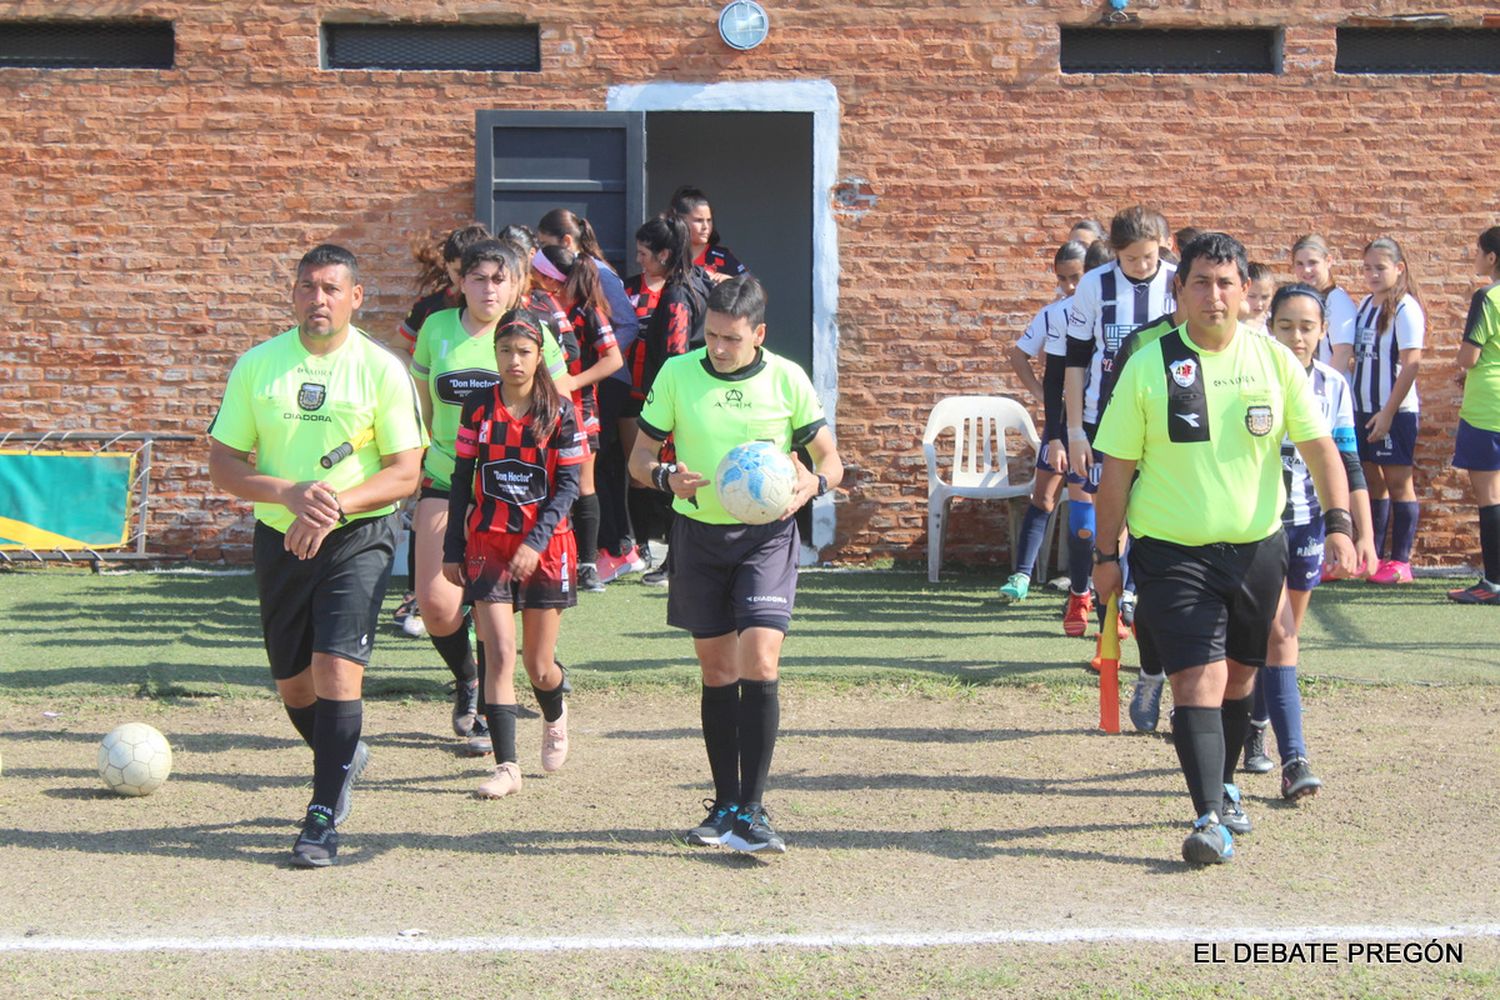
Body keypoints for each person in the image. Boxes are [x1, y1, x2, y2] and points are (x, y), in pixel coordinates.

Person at [1092, 233, 1357, 865]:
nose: (1214, 294)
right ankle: (1208, 814)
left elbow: (1321, 448)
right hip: (1171, 551)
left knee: (1241, 677)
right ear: (1179, 290)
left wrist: (1341, 521)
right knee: (1196, 681)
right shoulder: (1147, 363)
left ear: (1245, 292)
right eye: (1201, 282)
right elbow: (1116, 472)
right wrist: (1106, 557)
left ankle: (1228, 782)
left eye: (1226, 283)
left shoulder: (1272, 359)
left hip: (1257, 549)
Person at [208, 244, 427, 867]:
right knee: (294, 685)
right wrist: (290, 495)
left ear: (356, 297)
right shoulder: (258, 366)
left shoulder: (383, 371)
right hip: (280, 535)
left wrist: (333, 505)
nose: (319, 298)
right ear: (294, 293)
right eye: (308, 287)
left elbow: (404, 471)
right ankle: (344, 754)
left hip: (358, 536)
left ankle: (321, 817)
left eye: (333, 288)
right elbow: (224, 462)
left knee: (337, 670)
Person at [629, 275, 842, 855]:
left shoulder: (787, 379)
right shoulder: (677, 374)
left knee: (761, 659)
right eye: (712, 335)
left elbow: (830, 459)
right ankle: (724, 805)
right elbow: (639, 457)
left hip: (767, 539)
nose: (718, 348)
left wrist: (812, 483)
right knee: (718, 669)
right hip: (697, 536)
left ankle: (755, 808)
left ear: (759, 334)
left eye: (731, 338)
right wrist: (664, 475)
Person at [411, 240, 569, 750]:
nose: (488, 288)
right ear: (460, 281)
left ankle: (488, 712)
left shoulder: (533, 333)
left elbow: (558, 411)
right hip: (448, 478)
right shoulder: (435, 329)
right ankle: (467, 679)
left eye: (499, 279)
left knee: (498, 613)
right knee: (437, 606)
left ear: (518, 284)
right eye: (478, 278)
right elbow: (423, 407)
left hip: (517, 495)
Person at [1241, 283, 1379, 798]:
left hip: (1309, 526)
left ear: (1323, 332)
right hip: (1259, 526)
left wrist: (1354, 530)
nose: (1296, 337)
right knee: (1280, 638)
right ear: (1268, 327)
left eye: (1307, 327)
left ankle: (1255, 729)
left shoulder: (1334, 386)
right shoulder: (1251, 378)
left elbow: (1346, 463)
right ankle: (1295, 759)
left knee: (1283, 639)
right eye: (1285, 326)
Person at [443, 309, 583, 798]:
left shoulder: (561, 410)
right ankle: (507, 767)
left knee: (538, 665)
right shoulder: (478, 407)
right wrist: (452, 547)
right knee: (499, 654)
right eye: (505, 351)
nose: (514, 360)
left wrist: (535, 541)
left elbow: (569, 486)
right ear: (495, 354)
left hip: (545, 547)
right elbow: (462, 478)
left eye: (524, 352)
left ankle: (555, 711)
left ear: (539, 355)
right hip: (488, 544)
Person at [1063, 206, 1177, 638]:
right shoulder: (1095, 284)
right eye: (1132, 259)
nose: (1143, 266)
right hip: (1101, 418)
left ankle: (1131, 602)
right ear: (1114, 253)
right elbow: (1075, 361)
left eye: (1150, 257)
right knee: (1094, 519)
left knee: (1146, 517)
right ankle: (1084, 592)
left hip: (1162, 421)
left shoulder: (1177, 281)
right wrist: (1074, 430)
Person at [392, 223, 492, 638]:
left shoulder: (518, 321)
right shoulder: (432, 313)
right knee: (434, 562)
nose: (456, 280)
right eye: (454, 271)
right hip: (444, 467)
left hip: (499, 473)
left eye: (462, 271)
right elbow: (408, 360)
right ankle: (423, 599)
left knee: (493, 586)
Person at [536, 210, 643, 582]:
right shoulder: (541, 309)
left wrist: (574, 382)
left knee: (586, 482)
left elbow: (614, 354)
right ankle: (562, 557)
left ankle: (591, 561)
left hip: (582, 407)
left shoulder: (588, 308)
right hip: (546, 408)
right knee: (551, 481)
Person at [620, 215, 709, 586]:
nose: (639, 260)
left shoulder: (676, 295)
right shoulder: (699, 283)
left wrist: (666, 406)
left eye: (644, 253)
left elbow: (674, 354)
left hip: (677, 402)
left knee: (675, 480)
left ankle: (676, 562)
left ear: (665, 254)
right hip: (694, 397)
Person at [999, 240, 1086, 603]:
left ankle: (1096, 584)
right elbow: (1022, 357)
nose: (1069, 287)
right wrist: (1041, 396)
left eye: (1076, 278)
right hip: (1062, 420)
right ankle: (1021, 575)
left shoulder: (1106, 313)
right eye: (1063, 279)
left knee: (1099, 503)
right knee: (1044, 496)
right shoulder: (1054, 314)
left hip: (1098, 420)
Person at [1353, 237, 1426, 584]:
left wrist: (1387, 414)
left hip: (1394, 412)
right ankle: (1375, 556)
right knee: (1372, 482)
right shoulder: (1366, 303)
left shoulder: (1406, 308)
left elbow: (1411, 364)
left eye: (1380, 268)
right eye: (1367, 268)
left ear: (1399, 268)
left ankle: (1401, 563)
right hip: (1363, 408)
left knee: (1399, 483)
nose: (1372, 274)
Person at [1448, 225, 1500, 605]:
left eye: (1479, 251)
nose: (1475, 257)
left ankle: (1494, 583)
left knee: (1490, 498)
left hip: (1488, 408)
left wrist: (1461, 365)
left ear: (1492, 258)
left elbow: (1470, 356)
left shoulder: (1488, 297)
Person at [1290, 234, 1358, 373]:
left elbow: (1343, 353)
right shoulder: (1311, 300)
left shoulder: (1337, 301)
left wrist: (1325, 387)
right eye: (1300, 264)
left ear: (1328, 261)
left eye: (1312, 263)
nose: (1306, 270)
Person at [671, 185, 749, 282]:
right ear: (680, 221)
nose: (706, 226)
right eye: (699, 220)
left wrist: (731, 282)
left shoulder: (722, 257)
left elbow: (753, 288)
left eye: (709, 220)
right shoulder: (666, 255)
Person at [1240, 262, 1274, 334]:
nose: (1259, 303)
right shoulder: (1232, 324)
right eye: (1252, 296)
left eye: (1265, 297)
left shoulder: (1275, 323)